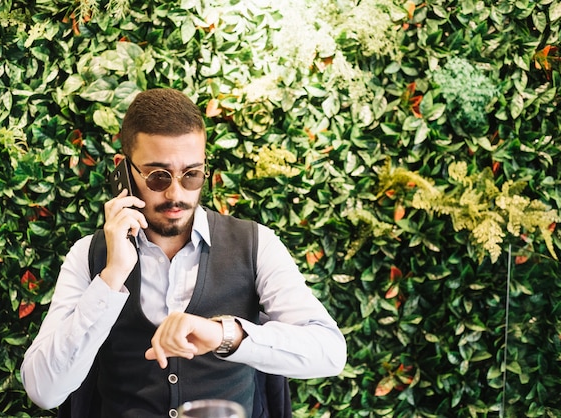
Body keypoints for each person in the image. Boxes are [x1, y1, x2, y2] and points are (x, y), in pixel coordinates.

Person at [20, 88, 347, 418]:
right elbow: (44, 391)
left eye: (191, 174)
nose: (176, 194)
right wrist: (112, 277)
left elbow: (330, 352)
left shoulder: (254, 244)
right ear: (124, 171)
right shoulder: (88, 256)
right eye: (158, 176)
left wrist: (225, 335)